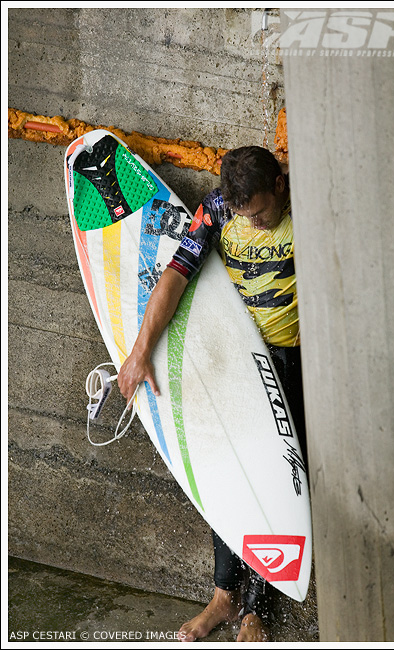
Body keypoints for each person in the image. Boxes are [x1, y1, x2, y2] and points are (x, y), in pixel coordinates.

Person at [118, 146, 308, 642]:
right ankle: (224, 597)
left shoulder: (309, 205)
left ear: (280, 186)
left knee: (274, 476)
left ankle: (255, 610)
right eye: (247, 214)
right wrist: (141, 352)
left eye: (262, 211)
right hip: (235, 357)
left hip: (290, 360)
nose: (256, 222)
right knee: (226, 468)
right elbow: (175, 278)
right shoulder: (218, 210)